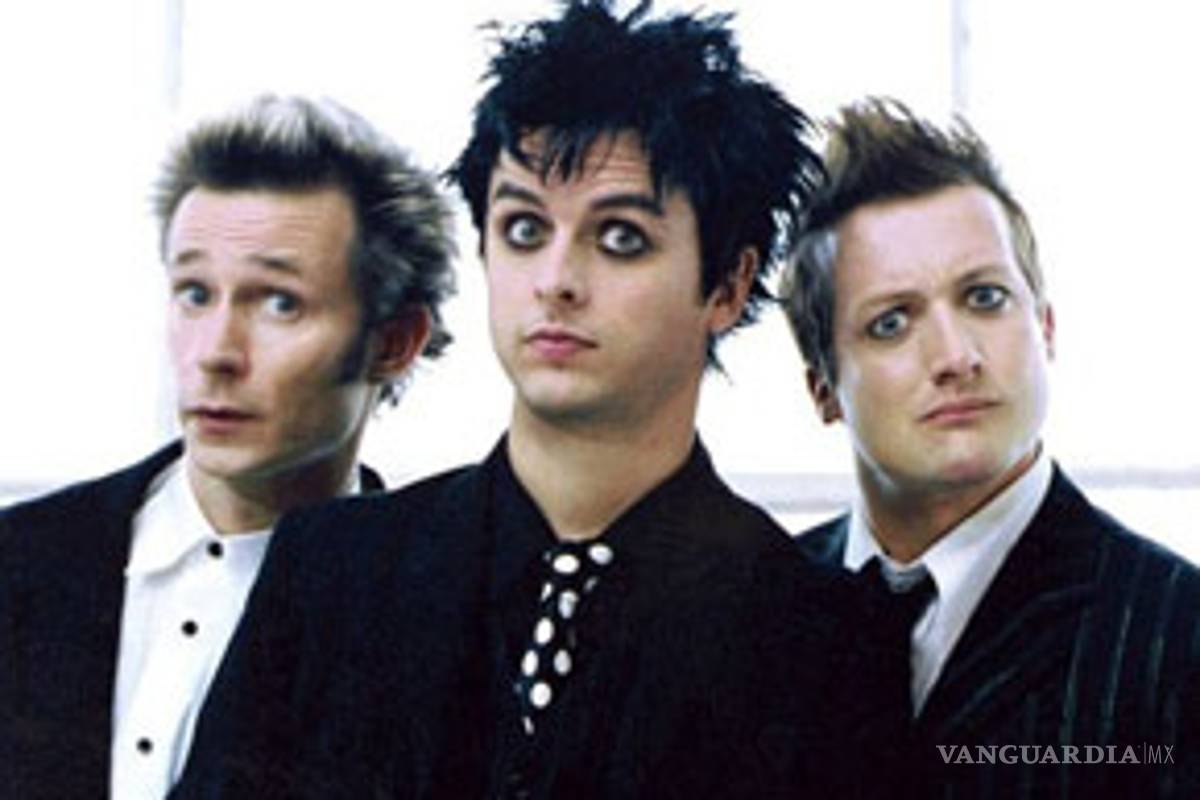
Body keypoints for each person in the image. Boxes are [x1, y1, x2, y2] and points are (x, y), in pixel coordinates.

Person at [174, 3, 893, 798]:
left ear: (726, 284)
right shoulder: (329, 571)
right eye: (523, 229)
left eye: (621, 238)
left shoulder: (822, 638)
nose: (555, 280)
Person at [0, 94, 456, 799]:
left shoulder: (432, 626)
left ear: (394, 343)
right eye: (194, 293)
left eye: (279, 302)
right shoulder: (21, 561)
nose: (216, 352)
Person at [781, 96, 1199, 797]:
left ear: (1046, 327)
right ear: (823, 387)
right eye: (891, 323)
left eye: (984, 298)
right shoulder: (748, 619)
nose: (956, 356)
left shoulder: (1179, 639)